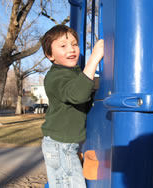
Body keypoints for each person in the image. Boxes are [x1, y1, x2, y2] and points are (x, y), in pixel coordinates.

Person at [40, 24, 104, 188]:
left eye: (74, 44)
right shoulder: (55, 76)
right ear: (49, 55)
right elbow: (78, 94)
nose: (72, 49)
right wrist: (94, 59)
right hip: (60, 146)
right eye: (63, 46)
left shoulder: (73, 73)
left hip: (65, 145)